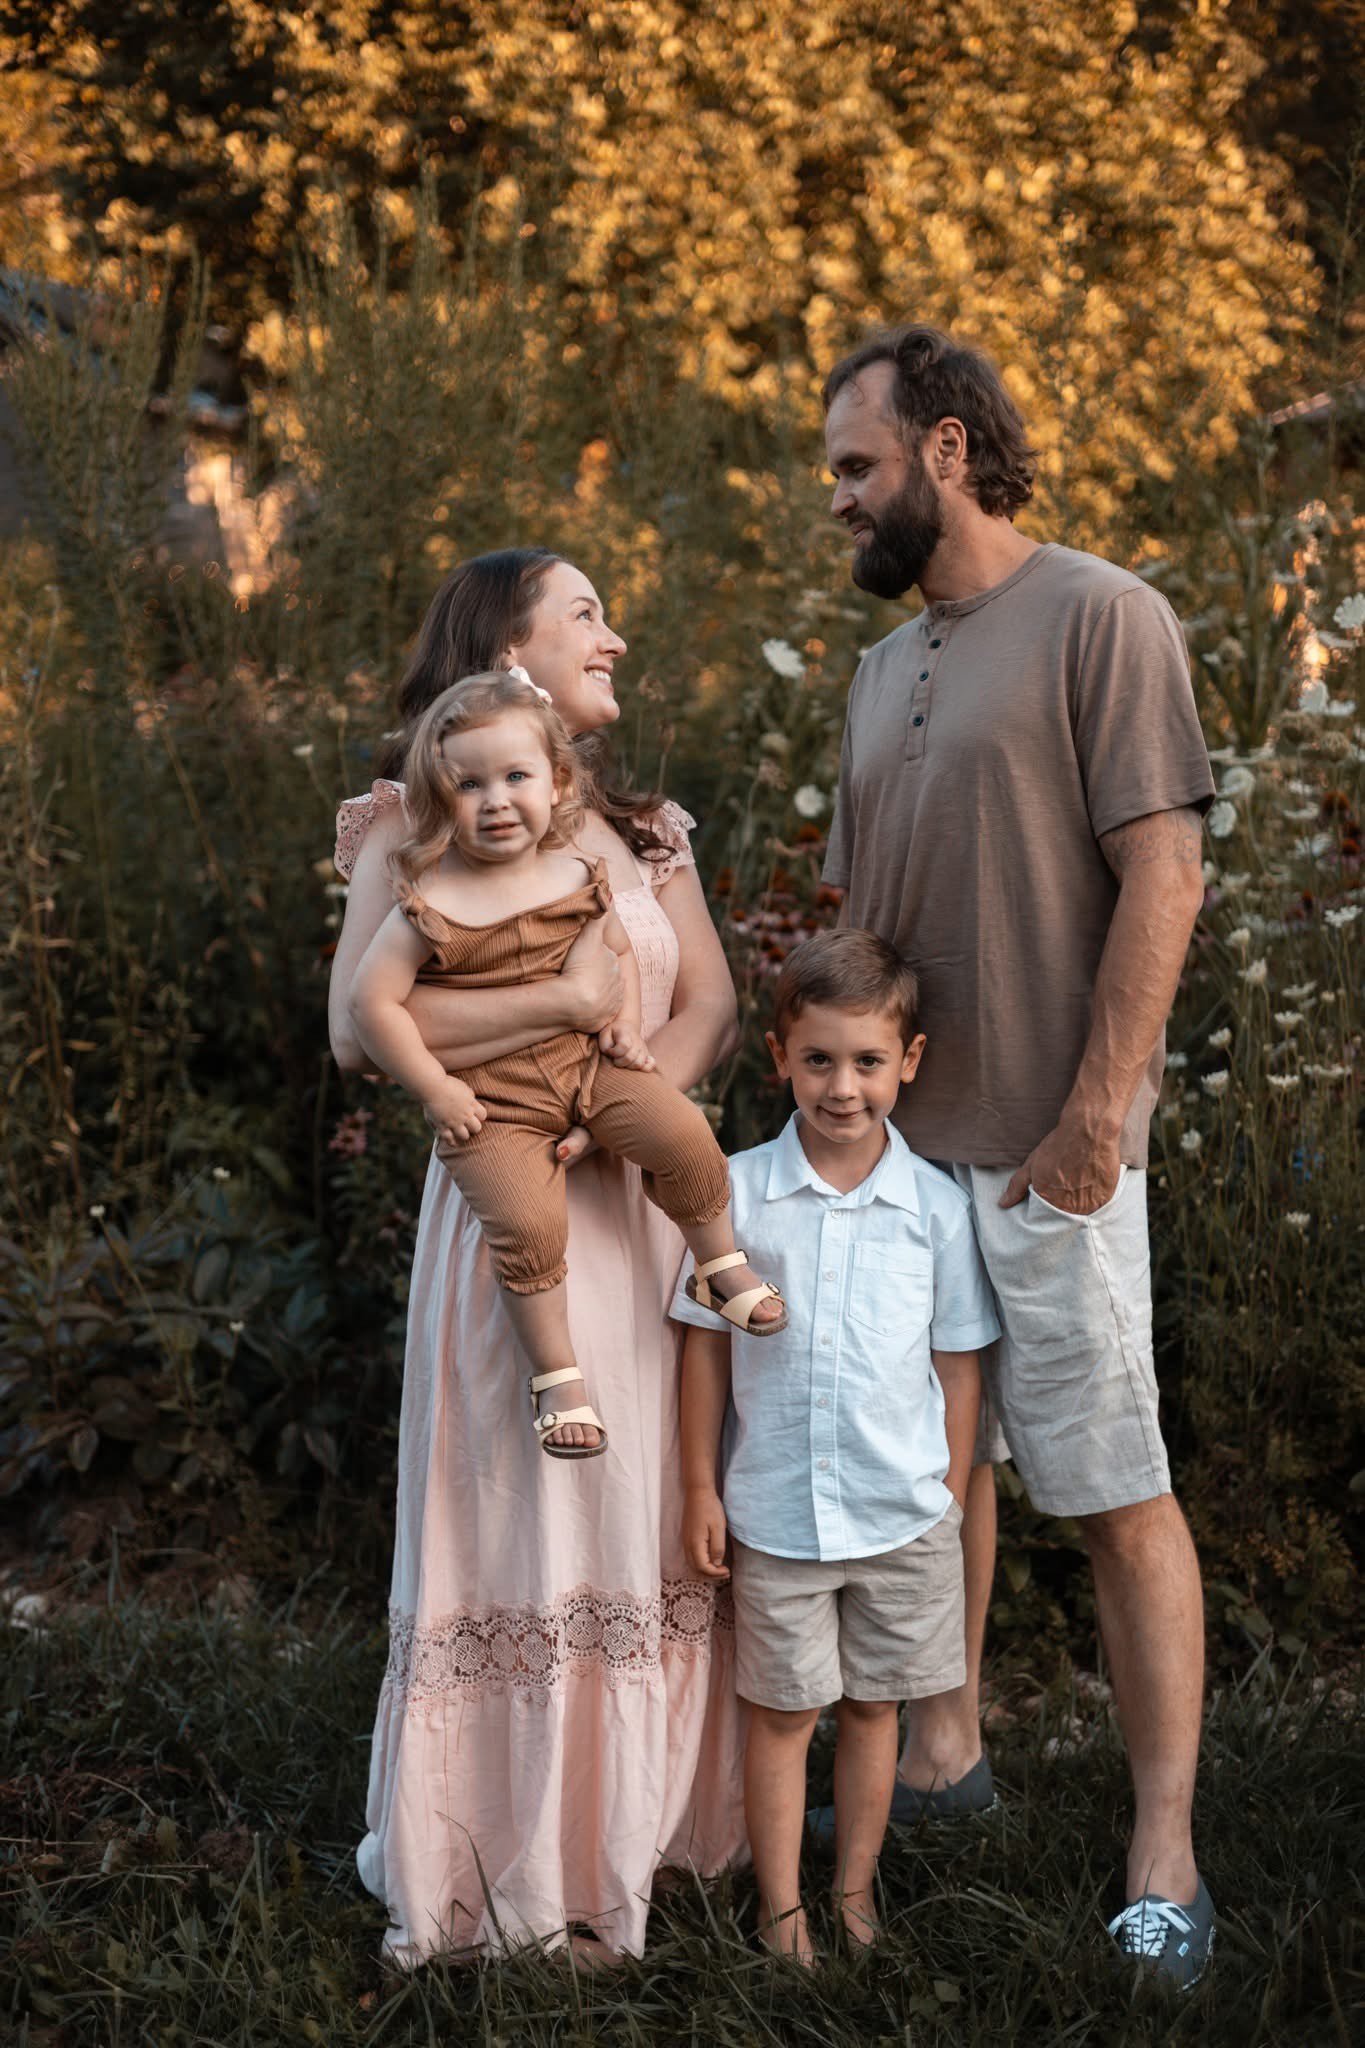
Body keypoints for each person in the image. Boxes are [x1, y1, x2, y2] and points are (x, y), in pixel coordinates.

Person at [818, 324, 1217, 1988]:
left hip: (1055, 1162)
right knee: (930, 1486)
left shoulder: (1103, 616)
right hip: (902, 1169)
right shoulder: (877, 663)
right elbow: (863, 938)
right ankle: (947, 1761)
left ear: (949, 454)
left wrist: (1095, 1114)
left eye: (855, 466)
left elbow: (1167, 875)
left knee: (1115, 1492)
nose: (836, 499)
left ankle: (1166, 1851)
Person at [328, 548, 747, 1963]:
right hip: (514, 1218)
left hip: (633, 1207)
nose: (613, 637)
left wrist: (626, 1097)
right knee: (525, 1518)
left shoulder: (642, 826)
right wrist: (548, 1040)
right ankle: (500, 1869)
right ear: (509, 658)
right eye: (586, 615)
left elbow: (708, 1004)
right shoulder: (419, 821)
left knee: (638, 1526)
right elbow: (357, 1031)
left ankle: (641, 1841)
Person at [347, 669, 786, 1459]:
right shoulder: (430, 901)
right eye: (468, 785)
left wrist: (619, 1024)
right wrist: (434, 1087)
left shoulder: (576, 875)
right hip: (492, 1102)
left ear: (555, 783)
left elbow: (611, 948)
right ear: (439, 797)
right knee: (526, 1224)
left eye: (515, 778)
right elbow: (370, 1008)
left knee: (682, 1133)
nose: (495, 800)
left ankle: (717, 1263)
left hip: (590, 1067)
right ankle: (557, 1379)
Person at [676, 931, 998, 1963]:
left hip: (902, 1517)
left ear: (908, 1060)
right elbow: (704, 1350)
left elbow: (956, 1366)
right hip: (775, 1510)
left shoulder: (936, 1213)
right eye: (819, 1059)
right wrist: (699, 1486)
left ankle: (854, 1892)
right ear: (780, 1055)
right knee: (781, 1714)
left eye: (867, 1061)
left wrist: (946, 1493)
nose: (843, 1086)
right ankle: (782, 1912)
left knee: (873, 1710)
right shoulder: (735, 1195)